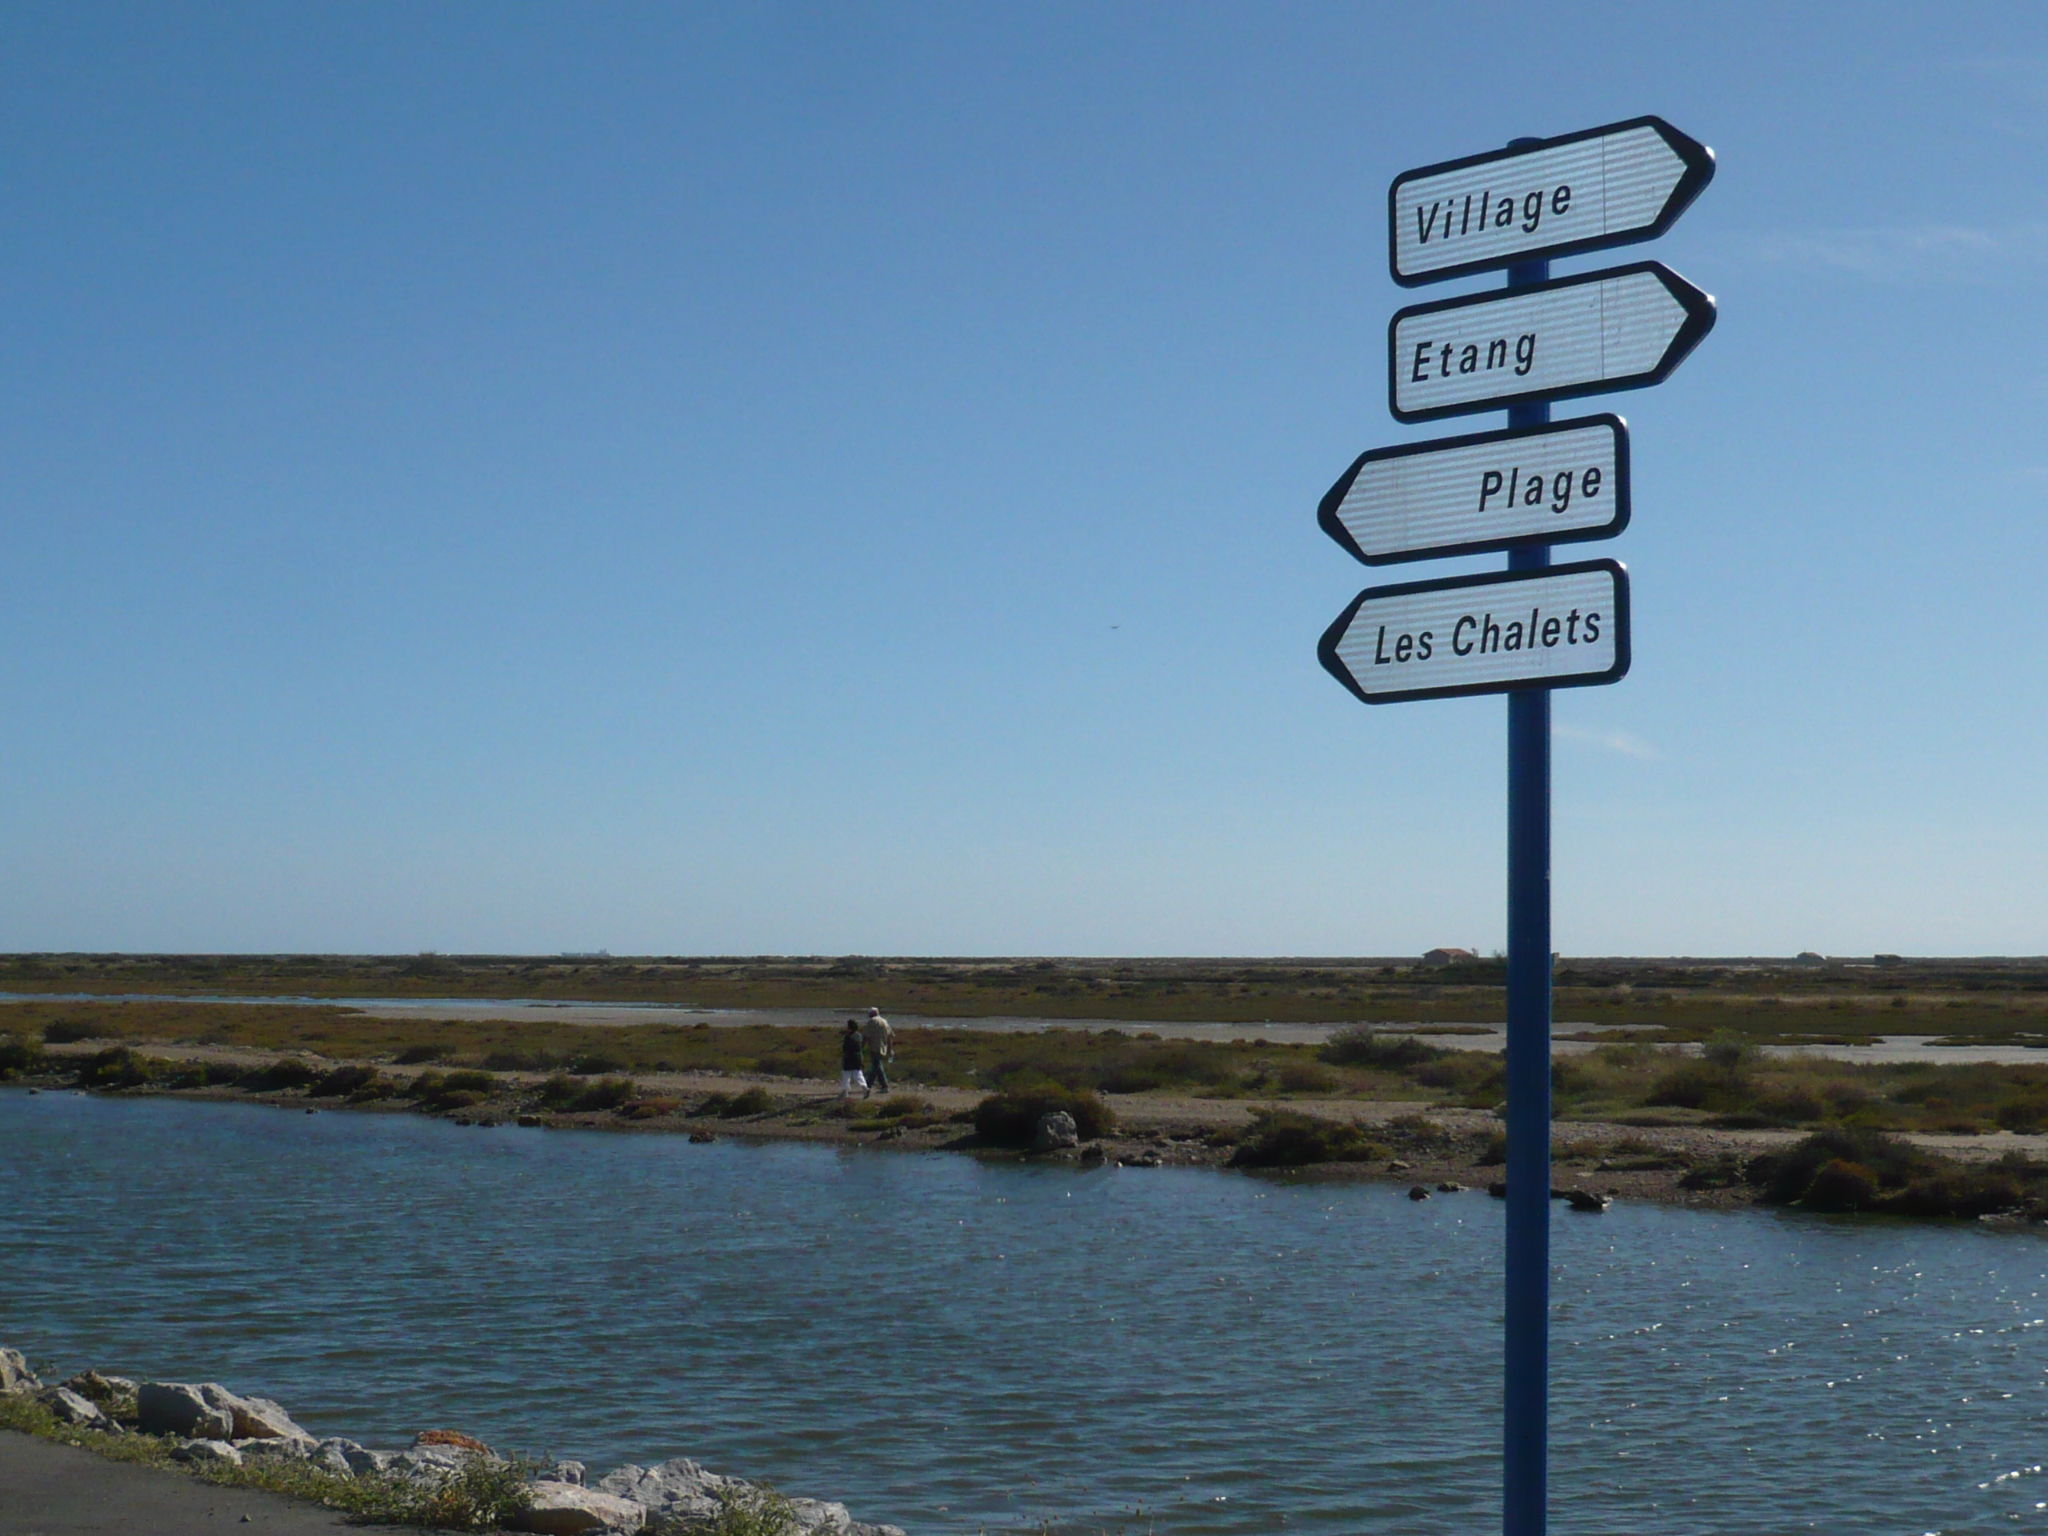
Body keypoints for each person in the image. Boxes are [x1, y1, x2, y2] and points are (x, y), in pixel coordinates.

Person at [860, 1006, 894, 1096]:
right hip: (883, 1048)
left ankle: (873, 1085)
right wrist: (890, 1049)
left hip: (875, 1047)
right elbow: (890, 1036)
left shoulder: (871, 1022)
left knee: (876, 1066)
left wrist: (861, 1048)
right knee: (877, 1066)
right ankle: (873, 1085)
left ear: (871, 1014)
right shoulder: (885, 1022)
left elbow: (866, 1036)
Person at [837, 1018, 867, 1100]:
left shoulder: (848, 1037)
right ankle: (865, 1088)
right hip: (858, 1057)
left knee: (846, 1074)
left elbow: (845, 1049)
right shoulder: (859, 1035)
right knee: (858, 1073)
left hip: (849, 1057)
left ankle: (845, 1092)